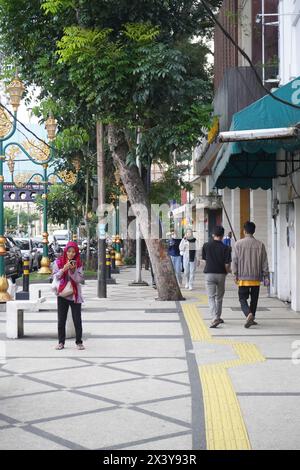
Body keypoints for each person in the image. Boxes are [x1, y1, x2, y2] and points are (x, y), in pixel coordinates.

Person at [232, 221, 269, 328]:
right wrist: (266, 275)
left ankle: (249, 314)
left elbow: (234, 261)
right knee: (254, 299)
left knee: (242, 298)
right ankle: (252, 317)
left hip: (243, 278)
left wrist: (235, 274)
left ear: (244, 231)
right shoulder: (260, 245)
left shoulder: (238, 244)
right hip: (256, 278)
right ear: (254, 231)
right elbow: (264, 261)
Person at [52, 241, 85, 350]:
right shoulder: (58, 262)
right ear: (65, 251)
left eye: (73, 252)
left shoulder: (78, 264)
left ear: (76, 253)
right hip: (62, 294)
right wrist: (64, 269)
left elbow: (79, 280)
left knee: (77, 319)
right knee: (61, 319)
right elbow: (55, 277)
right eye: (69, 251)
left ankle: (79, 342)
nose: (71, 254)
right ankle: (61, 342)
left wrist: (73, 270)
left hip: (74, 294)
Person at [202, 226, 232, 328]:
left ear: (213, 234)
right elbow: (227, 265)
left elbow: (204, 261)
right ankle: (217, 317)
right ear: (223, 236)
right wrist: (228, 272)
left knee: (211, 297)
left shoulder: (206, 246)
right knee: (219, 297)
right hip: (221, 274)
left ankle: (215, 318)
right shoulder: (226, 248)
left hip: (209, 274)